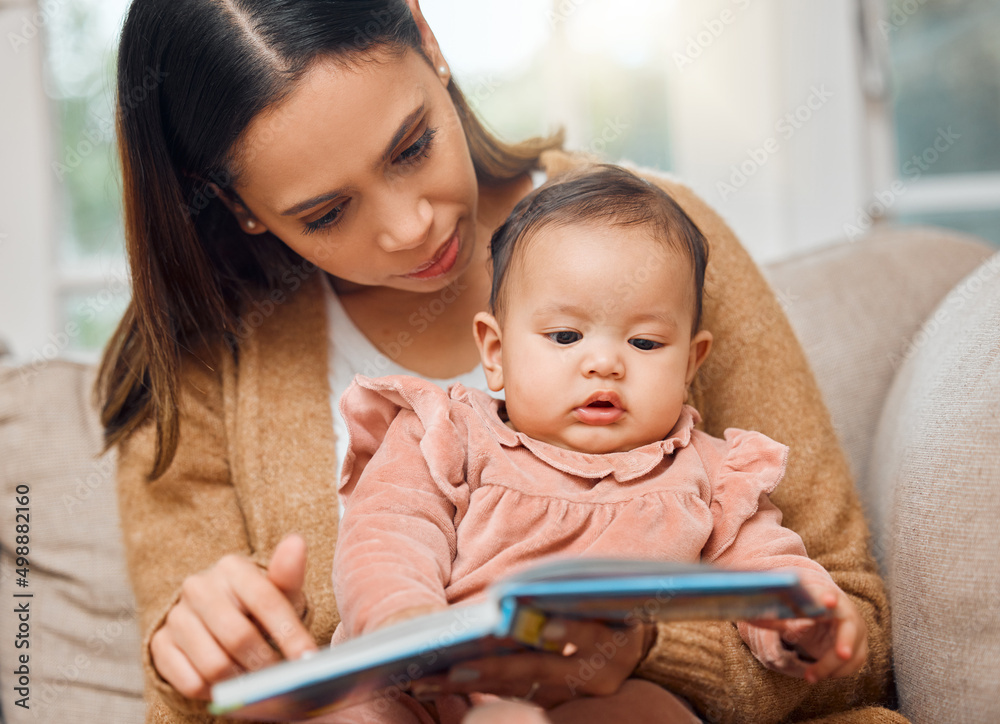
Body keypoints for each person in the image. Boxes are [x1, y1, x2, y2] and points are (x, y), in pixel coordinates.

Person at [96, 1, 904, 723]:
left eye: (412, 146)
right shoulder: (199, 366)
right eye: (329, 211)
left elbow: (852, 636)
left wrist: (645, 657)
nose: (410, 227)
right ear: (237, 205)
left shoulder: (653, 243)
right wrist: (200, 674)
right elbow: (202, 707)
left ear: (428, 36)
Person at [316, 166, 868, 724]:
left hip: (593, 694)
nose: (604, 362)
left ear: (690, 365)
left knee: (655, 710)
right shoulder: (444, 434)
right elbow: (388, 534)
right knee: (357, 709)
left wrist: (804, 620)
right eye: (565, 336)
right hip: (434, 678)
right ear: (495, 351)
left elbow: (767, 568)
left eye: (645, 342)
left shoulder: (713, 475)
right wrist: (406, 623)